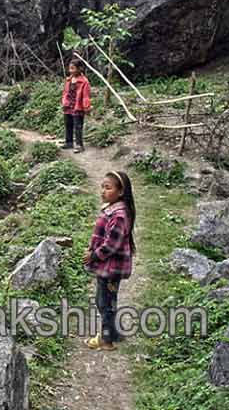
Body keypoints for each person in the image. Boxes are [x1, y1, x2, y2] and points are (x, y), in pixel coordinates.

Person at [83, 171, 136, 350]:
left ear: (120, 192)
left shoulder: (118, 215)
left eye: (108, 188)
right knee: (104, 300)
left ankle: (106, 340)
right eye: (102, 187)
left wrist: (94, 255)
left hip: (111, 267)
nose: (103, 191)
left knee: (105, 302)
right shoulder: (113, 210)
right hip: (108, 266)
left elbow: (111, 245)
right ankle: (112, 332)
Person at [61, 59, 91, 153]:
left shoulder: (84, 81)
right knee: (68, 124)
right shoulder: (69, 80)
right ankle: (69, 142)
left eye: (73, 68)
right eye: (70, 68)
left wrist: (86, 107)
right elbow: (65, 92)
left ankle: (79, 145)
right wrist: (64, 102)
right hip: (68, 106)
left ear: (79, 69)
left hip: (78, 107)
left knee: (78, 126)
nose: (71, 71)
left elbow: (86, 96)